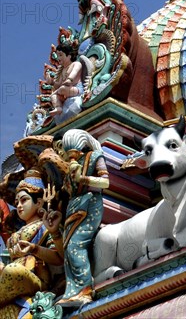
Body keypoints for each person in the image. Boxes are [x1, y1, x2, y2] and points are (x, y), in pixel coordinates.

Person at [53, 129, 108, 306]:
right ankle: (72, 291)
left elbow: (106, 182)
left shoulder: (94, 156)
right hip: (74, 208)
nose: (60, 152)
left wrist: (82, 178)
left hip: (90, 203)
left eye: (61, 147)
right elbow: (69, 192)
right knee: (68, 250)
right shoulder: (69, 170)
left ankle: (84, 289)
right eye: (57, 150)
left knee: (76, 246)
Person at [0, 171, 63, 317]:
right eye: (17, 203)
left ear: (39, 202)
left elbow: (59, 258)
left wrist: (35, 248)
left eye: (24, 200)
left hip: (35, 277)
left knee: (13, 270)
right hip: (12, 282)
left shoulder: (45, 225)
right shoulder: (14, 236)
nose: (19, 206)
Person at [46, 41, 83, 117]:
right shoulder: (62, 70)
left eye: (60, 55)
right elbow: (58, 84)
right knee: (53, 95)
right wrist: (51, 82)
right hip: (66, 91)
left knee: (62, 89)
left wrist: (69, 79)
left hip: (77, 89)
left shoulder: (76, 64)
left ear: (69, 56)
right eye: (57, 56)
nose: (58, 58)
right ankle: (58, 107)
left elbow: (74, 73)